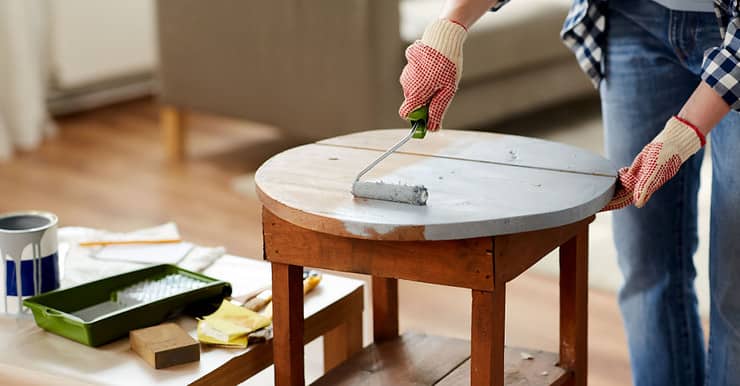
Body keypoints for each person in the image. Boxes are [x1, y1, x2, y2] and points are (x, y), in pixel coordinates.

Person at [399, 0, 740, 385]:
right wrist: (450, 27)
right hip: (633, 18)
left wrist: (688, 129)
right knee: (646, 265)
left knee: (735, 290)